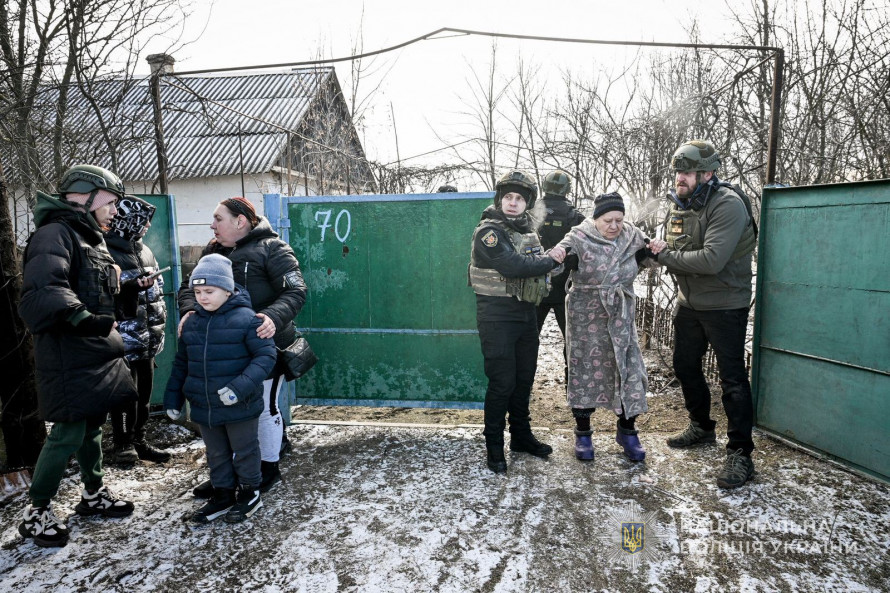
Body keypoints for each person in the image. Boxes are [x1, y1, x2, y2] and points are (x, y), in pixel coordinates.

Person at [17, 164, 143, 547]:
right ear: (86, 195)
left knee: (91, 428)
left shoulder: (91, 239)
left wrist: (129, 288)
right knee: (68, 432)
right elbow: (44, 291)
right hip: (68, 354)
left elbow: (99, 295)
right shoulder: (54, 234)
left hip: (95, 353)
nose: (116, 211)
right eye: (113, 202)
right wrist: (86, 319)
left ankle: (93, 494)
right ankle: (36, 511)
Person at [178, 197, 306, 495]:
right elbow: (188, 286)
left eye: (218, 218)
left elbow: (296, 291)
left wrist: (272, 317)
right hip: (221, 350)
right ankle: (227, 474)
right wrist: (188, 310)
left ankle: (267, 469)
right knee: (225, 411)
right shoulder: (213, 250)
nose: (212, 225)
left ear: (240, 221)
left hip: (264, 344)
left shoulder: (274, 249)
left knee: (263, 409)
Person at [655, 140, 757, 489]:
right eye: (678, 172)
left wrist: (665, 255)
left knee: (732, 379)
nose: (680, 178)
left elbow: (712, 260)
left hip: (726, 303)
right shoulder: (681, 204)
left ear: (708, 173)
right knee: (684, 365)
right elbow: (672, 245)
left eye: (687, 172)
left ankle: (741, 452)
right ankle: (701, 425)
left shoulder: (726, 205)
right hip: (690, 302)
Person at [550, 192, 664, 463]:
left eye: (619, 220)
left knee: (627, 367)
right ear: (595, 218)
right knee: (584, 369)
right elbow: (555, 261)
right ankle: (583, 432)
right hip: (585, 314)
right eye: (607, 220)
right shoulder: (578, 236)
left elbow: (649, 258)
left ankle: (627, 431)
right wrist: (558, 255)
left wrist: (655, 248)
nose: (614, 226)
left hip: (620, 312)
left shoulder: (632, 235)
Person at [165, 254, 277, 523]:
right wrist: (173, 397)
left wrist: (239, 388)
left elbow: (266, 357)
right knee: (216, 453)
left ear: (227, 290)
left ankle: (250, 492)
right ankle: (223, 493)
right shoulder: (191, 323)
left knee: (245, 449)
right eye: (198, 291)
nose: (203, 297)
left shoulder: (249, 320)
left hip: (240, 404)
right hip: (205, 406)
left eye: (209, 291)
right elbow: (182, 363)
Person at [468, 170, 565, 473]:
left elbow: (537, 269)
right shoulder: (489, 231)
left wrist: (562, 262)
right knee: (502, 383)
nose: (513, 203)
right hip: (497, 318)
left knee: (523, 380)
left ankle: (521, 437)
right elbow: (512, 265)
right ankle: (494, 446)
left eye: (519, 199)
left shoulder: (527, 232)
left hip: (525, 315)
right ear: (499, 200)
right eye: (508, 197)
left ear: (527, 204)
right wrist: (553, 259)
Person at [105, 195, 171, 464]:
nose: (146, 227)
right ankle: (122, 445)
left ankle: (139, 440)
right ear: (126, 221)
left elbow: (158, 293)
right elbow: (102, 294)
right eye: (142, 222)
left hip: (147, 337)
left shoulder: (144, 250)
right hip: (122, 339)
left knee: (143, 395)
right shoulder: (105, 250)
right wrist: (131, 287)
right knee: (123, 396)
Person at [535, 170, 586, 380]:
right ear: (568, 189)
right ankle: (573, 389)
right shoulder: (576, 217)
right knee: (572, 343)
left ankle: (523, 389)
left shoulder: (529, 213)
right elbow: (585, 253)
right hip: (566, 290)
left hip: (535, 288)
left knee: (527, 342)